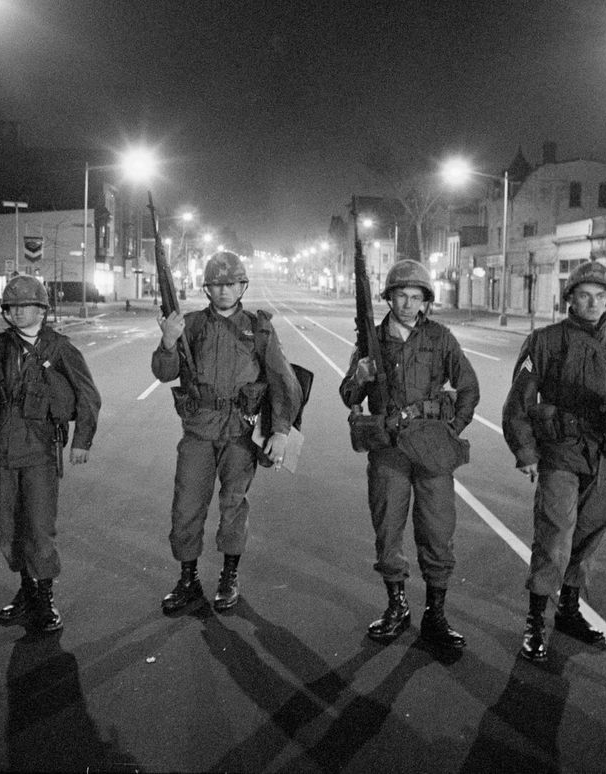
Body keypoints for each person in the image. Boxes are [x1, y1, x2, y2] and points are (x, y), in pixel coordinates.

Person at [502, 261, 606, 662]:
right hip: (560, 451)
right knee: (555, 533)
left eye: (600, 296)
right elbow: (519, 402)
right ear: (571, 299)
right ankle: (534, 621)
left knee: (589, 532)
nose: (593, 303)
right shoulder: (545, 341)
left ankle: (569, 610)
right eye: (585, 295)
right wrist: (525, 452)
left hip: (603, 455)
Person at [339, 259, 479, 651]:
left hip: (432, 447)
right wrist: (360, 377)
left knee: (437, 530)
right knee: (387, 527)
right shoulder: (371, 342)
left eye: (416, 297)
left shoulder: (440, 337)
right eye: (401, 295)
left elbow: (468, 387)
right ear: (388, 297)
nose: (407, 303)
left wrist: (454, 429)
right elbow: (348, 396)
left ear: (425, 301)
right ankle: (397, 606)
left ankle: (435, 613)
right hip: (388, 450)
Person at [152, 251, 302, 614]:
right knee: (186, 505)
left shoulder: (259, 328)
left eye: (231, 284)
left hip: (240, 429)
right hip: (199, 429)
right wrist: (169, 342)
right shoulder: (188, 324)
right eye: (217, 284)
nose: (223, 291)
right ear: (207, 288)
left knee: (233, 504)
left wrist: (281, 431)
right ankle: (188, 580)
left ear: (242, 286)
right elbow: (163, 372)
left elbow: (285, 382)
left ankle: (228, 577)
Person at [0, 274, 100, 633]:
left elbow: (88, 397)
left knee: (40, 529)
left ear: (42, 309)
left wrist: (82, 441)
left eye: (25, 306)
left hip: (40, 452)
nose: (17, 313)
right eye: (11, 307)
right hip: (4, 452)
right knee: (10, 528)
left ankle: (44, 596)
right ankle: (25, 589)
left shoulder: (59, 349)